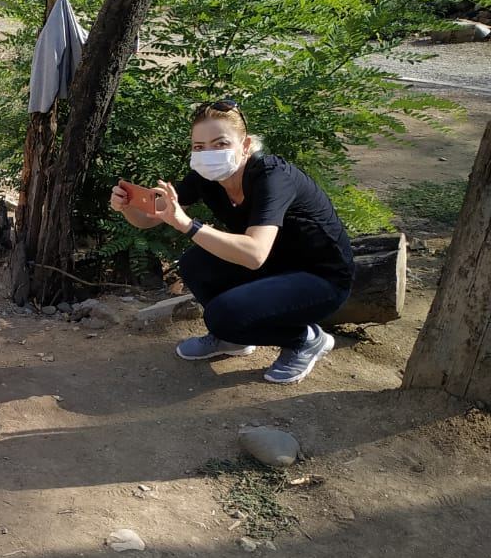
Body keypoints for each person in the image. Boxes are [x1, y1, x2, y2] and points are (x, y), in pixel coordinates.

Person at [110, 99, 355, 385]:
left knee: (223, 315)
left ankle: (305, 338)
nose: (208, 154)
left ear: (246, 144)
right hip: (275, 267)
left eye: (220, 143)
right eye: (199, 147)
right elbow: (151, 219)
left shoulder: (272, 177)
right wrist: (127, 206)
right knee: (194, 263)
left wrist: (187, 224)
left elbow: (254, 254)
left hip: (321, 279)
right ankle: (233, 339)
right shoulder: (205, 178)